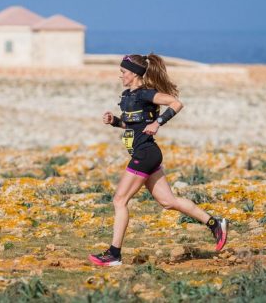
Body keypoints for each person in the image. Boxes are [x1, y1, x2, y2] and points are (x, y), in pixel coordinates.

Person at [88, 54, 228, 267]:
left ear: (134, 73)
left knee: (119, 200)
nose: (121, 76)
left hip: (145, 154)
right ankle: (214, 223)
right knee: (168, 202)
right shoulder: (128, 95)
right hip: (144, 154)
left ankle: (114, 254)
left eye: (123, 72)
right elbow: (132, 126)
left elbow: (176, 103)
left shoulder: (147, 94)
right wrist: (114, 121)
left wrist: (158, 123)